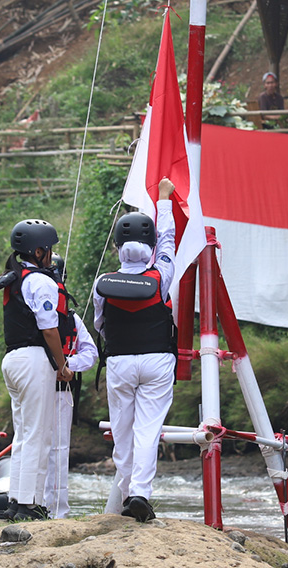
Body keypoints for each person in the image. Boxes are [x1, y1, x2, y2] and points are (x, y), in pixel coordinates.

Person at [93, 178, 177, 523]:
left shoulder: (104, 284)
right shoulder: (162, 274)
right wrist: (164, 200)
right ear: (151, 245)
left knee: (122, 430)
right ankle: (141, 493)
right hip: (158, 360)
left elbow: (100, 325)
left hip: (119, 362)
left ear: (117, 249)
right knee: (147, 430)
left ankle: (128, 493)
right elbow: (169, 240)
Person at [0, 219, 73, 520]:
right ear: (38, 251)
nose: (51, 255)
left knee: (23, 434)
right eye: (48, 249)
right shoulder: (41, 281)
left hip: (13, 360)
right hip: (34, 359)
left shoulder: (14, 277)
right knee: (39, 434)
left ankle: (17, 499)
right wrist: (62, 365)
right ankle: (30, 503)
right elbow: (49, 330)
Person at [42, 255, 98, 519]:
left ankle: (57, 511)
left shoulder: (72, 319)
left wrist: (68, 365)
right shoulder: (33, 313)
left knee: (60, 451)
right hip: (37, 389)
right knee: (34, 444)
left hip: (62, 392)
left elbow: (91, 352)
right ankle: (31, 503)